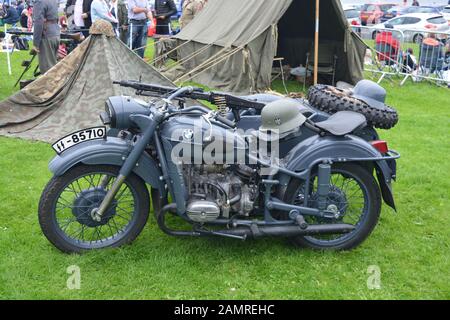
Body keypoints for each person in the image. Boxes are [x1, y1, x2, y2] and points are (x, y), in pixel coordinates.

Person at [32, 0, 61, 74]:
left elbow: (38, 22)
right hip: (55, 33)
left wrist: (35, 44)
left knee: (47, 70)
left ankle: (51, 85)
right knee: (54, 67)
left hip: (47, 35)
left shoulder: (40, 2)